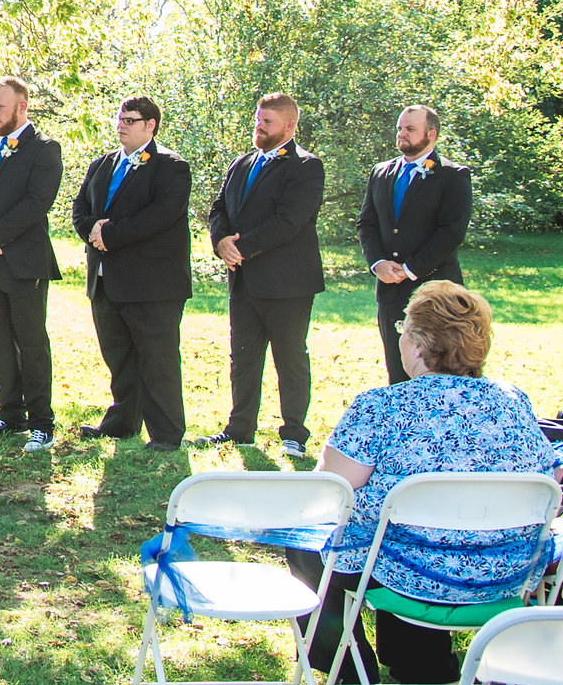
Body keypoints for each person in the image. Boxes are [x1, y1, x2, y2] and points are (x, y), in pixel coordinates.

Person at [286, 283, 560, 685]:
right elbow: (548, 477)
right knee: (408, 540)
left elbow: (329, 491)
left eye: (403, 327)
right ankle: (422, 667)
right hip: (502, 572)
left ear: (417, 345)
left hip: (411, 572)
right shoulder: (513, 401)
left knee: (307, 537)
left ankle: (348, 678)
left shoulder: (382, 407)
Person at [201, 93, 326, 457]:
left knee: (290, 358)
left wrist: (241, 247)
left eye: (267, 122)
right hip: (243, 280)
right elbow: (219, 207)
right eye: (258, 120)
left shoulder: (306, 166)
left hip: (287, 282)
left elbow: (289, 221)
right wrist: (220, 240)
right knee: (243, 357)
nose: (259, 127)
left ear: (289, 126)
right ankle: (239, 429)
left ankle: (294, 434)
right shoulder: (241, 163)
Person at [70, 96, 194, 451]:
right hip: (106, 278)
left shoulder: (171, 166)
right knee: (119, 356)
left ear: (150, 125)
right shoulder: (102, 164)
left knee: (158, 360)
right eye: (120, 118)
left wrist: (109, 235)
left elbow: (160, 215)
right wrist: (93, 231)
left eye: (130, 119)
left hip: (153, 284)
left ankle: (167, 434)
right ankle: (122, 423)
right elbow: (80, 209)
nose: (121, 125)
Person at [0, 76, 64, 452]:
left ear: (22, 107)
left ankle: (42, 423)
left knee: (31, 342)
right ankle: (10, 416)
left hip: (24, 264)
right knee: (0, 342)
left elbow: (36, 204)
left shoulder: (45, 150)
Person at [356, 105, 472, 384]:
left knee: (443, 370)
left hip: (436, 291)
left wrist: (409, 269)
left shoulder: (452, 175)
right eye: (399, 128)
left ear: (431, 134)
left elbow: (452, 232)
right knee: (398, 371)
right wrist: (378, 264)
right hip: (390, 293)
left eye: (409, 129)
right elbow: (367, 224)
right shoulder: (381, 172)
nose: (401, 134)